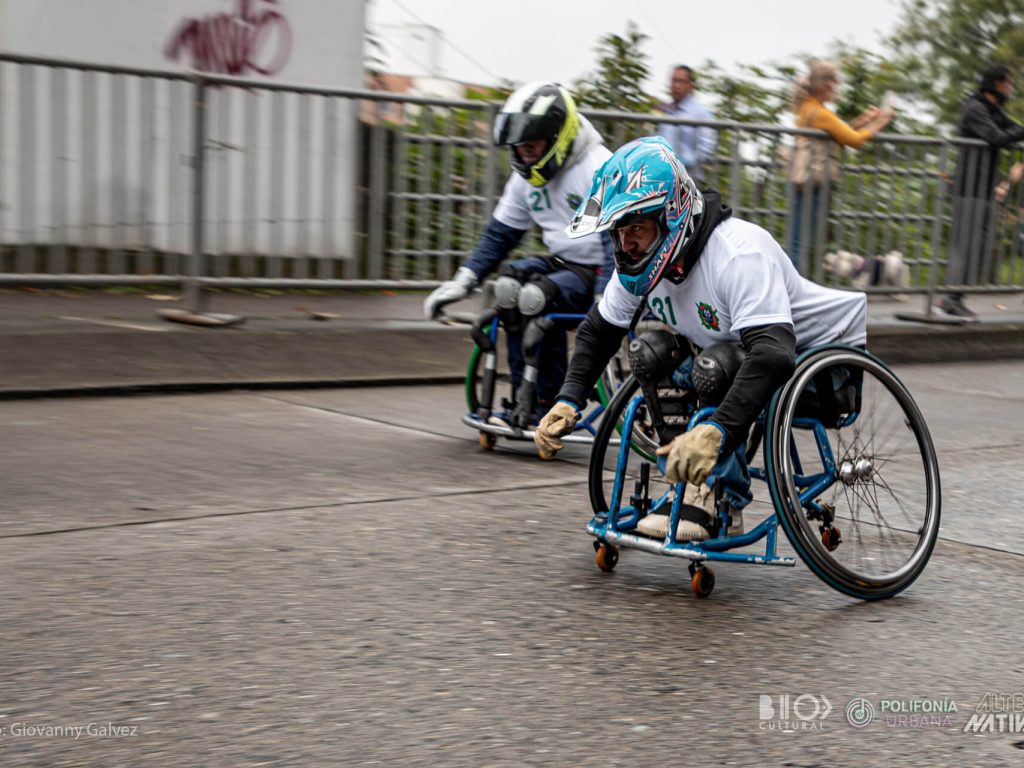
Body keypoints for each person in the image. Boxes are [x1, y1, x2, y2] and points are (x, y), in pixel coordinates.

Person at [533, 136, 867, 541]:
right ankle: (685, 484)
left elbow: (773, 355)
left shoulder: (740, 253)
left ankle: (714, 493)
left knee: (716, 365)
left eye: (636, 228)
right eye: (618, 232)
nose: (626, 244)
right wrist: (568, 399)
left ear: (671, 216)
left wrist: (717, 432)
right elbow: (598, 331)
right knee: (650, 352)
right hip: (738, 354)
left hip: (821, 364)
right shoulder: (640, 261)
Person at [423, 82, 612, 422]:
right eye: (519, 147)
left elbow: (619, 242)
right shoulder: (525, 176)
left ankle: (547, 405)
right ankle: (521, 399)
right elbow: (501, 233)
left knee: (537, 296)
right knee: (508, 287)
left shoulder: (598, 168)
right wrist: (464, 280)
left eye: (532, 145)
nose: (524, 153)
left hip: (599, 270)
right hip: (562, 261)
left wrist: (605, 298)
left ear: (559, 136)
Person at [788, 60, 894, 273]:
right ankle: (793, 291)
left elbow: (837, 134)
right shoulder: (820, 113)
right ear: (826, 85)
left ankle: (794, 288)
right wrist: (880, 123)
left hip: (802, 177)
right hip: (815, 181)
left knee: (799, 237)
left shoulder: (808, 107)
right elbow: (853, 140)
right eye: (836, 83)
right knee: (804, 241)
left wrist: (864, 120)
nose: (837, 88)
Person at [942, 63, 1024, 320]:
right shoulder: (975, 108)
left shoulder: (992, 110)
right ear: (997, 84)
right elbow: (996, 137)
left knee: (980, 246)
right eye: (1008, 82)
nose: (1011, 87)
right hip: (969, 188)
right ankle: (952, 299)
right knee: (964, 245)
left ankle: (957, 296)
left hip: (984, 189)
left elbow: (1010, 130)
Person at [656, 65, 717, 183]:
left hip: (687, 178)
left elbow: (707, 146)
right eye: (673, 81)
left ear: (690, 85)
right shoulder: (663, 110)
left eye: (681, 81)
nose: (676, 85)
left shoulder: (701, 113)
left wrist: (686, 165)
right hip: (660, 176)